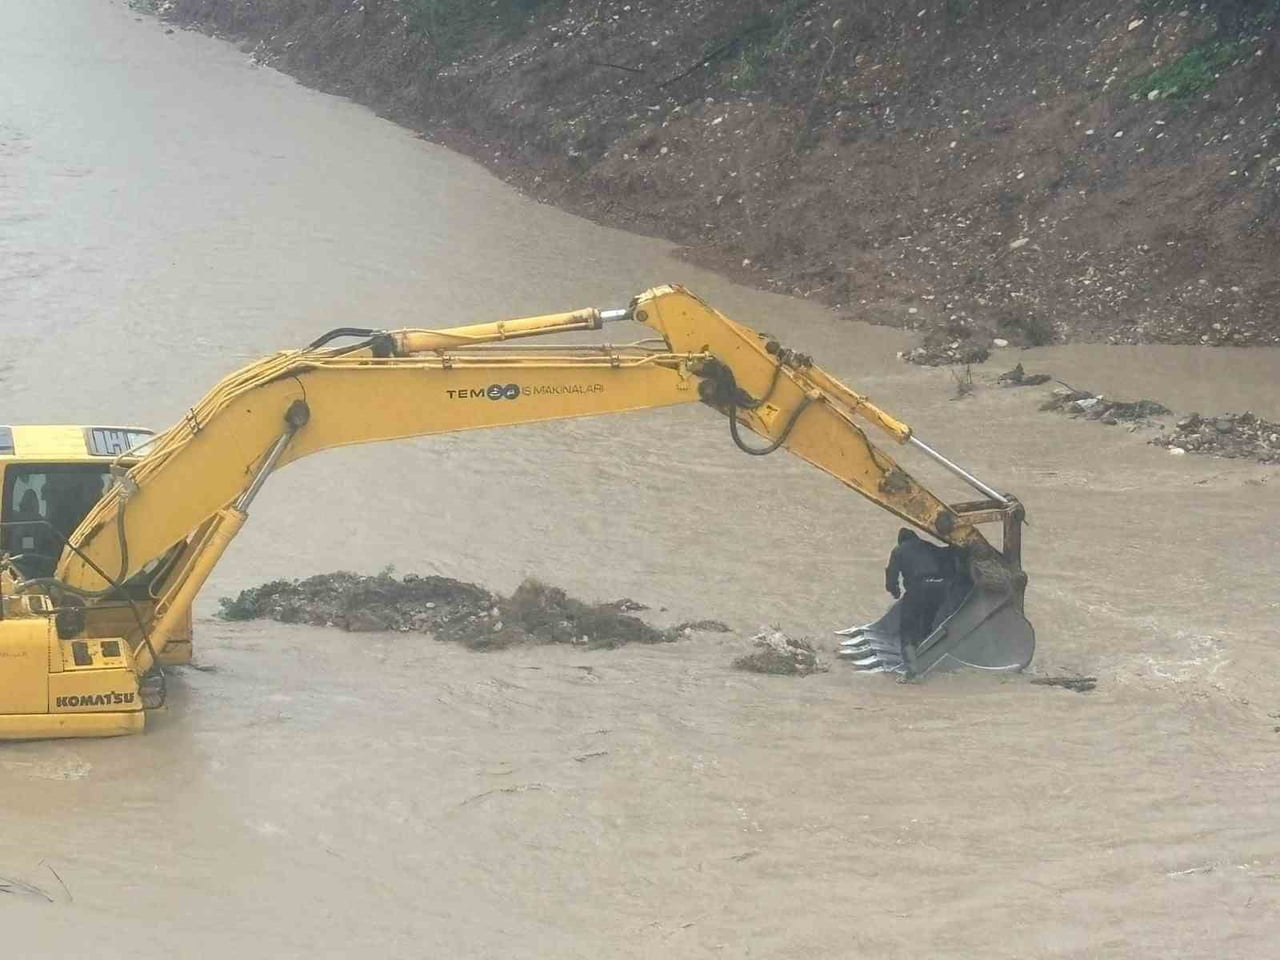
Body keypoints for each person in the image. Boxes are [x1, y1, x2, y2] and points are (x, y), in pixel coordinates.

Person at [884, 528, 951, 649]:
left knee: (908, 620)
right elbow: (945, 556)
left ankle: (910, 649)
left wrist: (894, 590)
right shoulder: (927, 545)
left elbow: (892, 574)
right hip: (939, 587)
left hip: (918, 587)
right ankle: (926, 644)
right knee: (928, 617)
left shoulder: (899, 550)